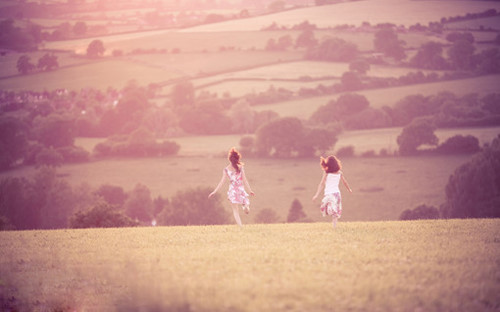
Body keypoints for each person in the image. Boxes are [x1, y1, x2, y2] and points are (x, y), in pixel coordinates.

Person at [208, 148, 255, 227]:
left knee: (235, 210)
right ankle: (245, 206)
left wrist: (214, 191)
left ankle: (241, 227)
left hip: (232, 191)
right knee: (246, 207)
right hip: (240, 189)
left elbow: (222, 182)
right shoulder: (240, 168)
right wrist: (250, 190)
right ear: (237, 158)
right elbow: (245, 180)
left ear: (229, 159)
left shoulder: (226, 170)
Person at [312, 155, 352, 228]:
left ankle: (334, 226)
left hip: (329, 194)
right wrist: (349, 189)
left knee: (328, 208)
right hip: (337, 194)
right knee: (334, 210)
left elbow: (321, 184)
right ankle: (334, 224)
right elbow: (345, 182)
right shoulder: (339, 173)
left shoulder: (327, 173)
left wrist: (316, 195)